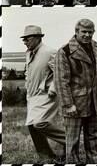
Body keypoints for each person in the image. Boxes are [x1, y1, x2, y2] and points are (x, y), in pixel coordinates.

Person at [54, 19, 97, 163]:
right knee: (73, 141)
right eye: (84, 32)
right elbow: (61, 81)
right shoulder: (65, 52)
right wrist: (68, 105)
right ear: (76, 32)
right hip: (74, 105)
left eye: (90, 32)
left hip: (92, 102)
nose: (87, 35)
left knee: (93, 138)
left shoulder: (95, 47)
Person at [21, 25, 65, 161]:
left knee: (39, 123)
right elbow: (29, 72)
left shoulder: (50, 52)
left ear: (37, 38)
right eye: (24, 39)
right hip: (32, 95)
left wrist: (53, 87)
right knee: (32, 126)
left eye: (27, 39)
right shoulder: (28, 53)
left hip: (47, 94)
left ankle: (69, 140)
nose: (25, 42)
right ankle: (46, 155)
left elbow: (60, 71)